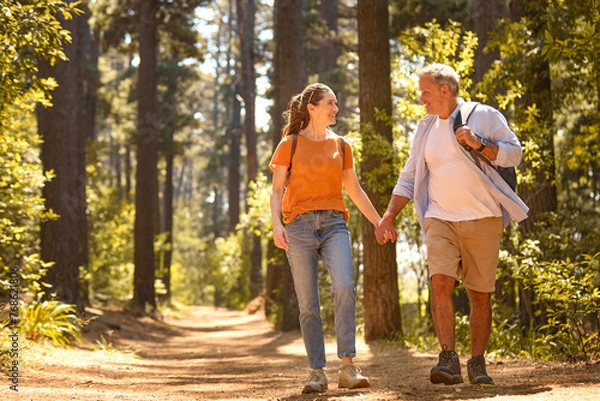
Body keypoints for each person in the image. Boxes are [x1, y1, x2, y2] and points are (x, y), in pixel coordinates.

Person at [375, 64, 528, 387]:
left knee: (479, 294)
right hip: (440, 218)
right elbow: (410, 175)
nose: (421, 99)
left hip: (483, 218)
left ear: (445, 90)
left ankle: (476, 361)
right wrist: (389, 216)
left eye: (426, 92)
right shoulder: (426, 127)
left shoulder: (483, 115)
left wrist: (480, 144)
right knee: (441, 283)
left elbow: (515, 154)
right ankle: (448, 358)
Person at [270, 83, 381, 394]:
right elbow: (277, 190)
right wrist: (276, 224)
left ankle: (348, 367)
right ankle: (317, 372)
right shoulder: (288, 144)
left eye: (336, 103)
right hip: (299, 227)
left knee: (345, 285)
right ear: (312, 107)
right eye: (331, 103)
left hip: (334, 224)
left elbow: (354, 190)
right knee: (308, 304)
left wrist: (380, 222)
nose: (336, 109)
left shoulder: (342, 145)